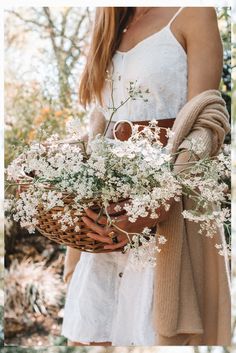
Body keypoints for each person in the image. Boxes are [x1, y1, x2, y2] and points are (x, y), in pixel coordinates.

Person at [61, 7, 231, 346]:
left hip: (172, 204)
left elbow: (207, 120)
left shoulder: (193, 13)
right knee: (101, 335)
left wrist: (160, 201)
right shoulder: (107, 22)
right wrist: (68, 183)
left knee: (161, 336)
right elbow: (100, 122)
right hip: (108, 214)